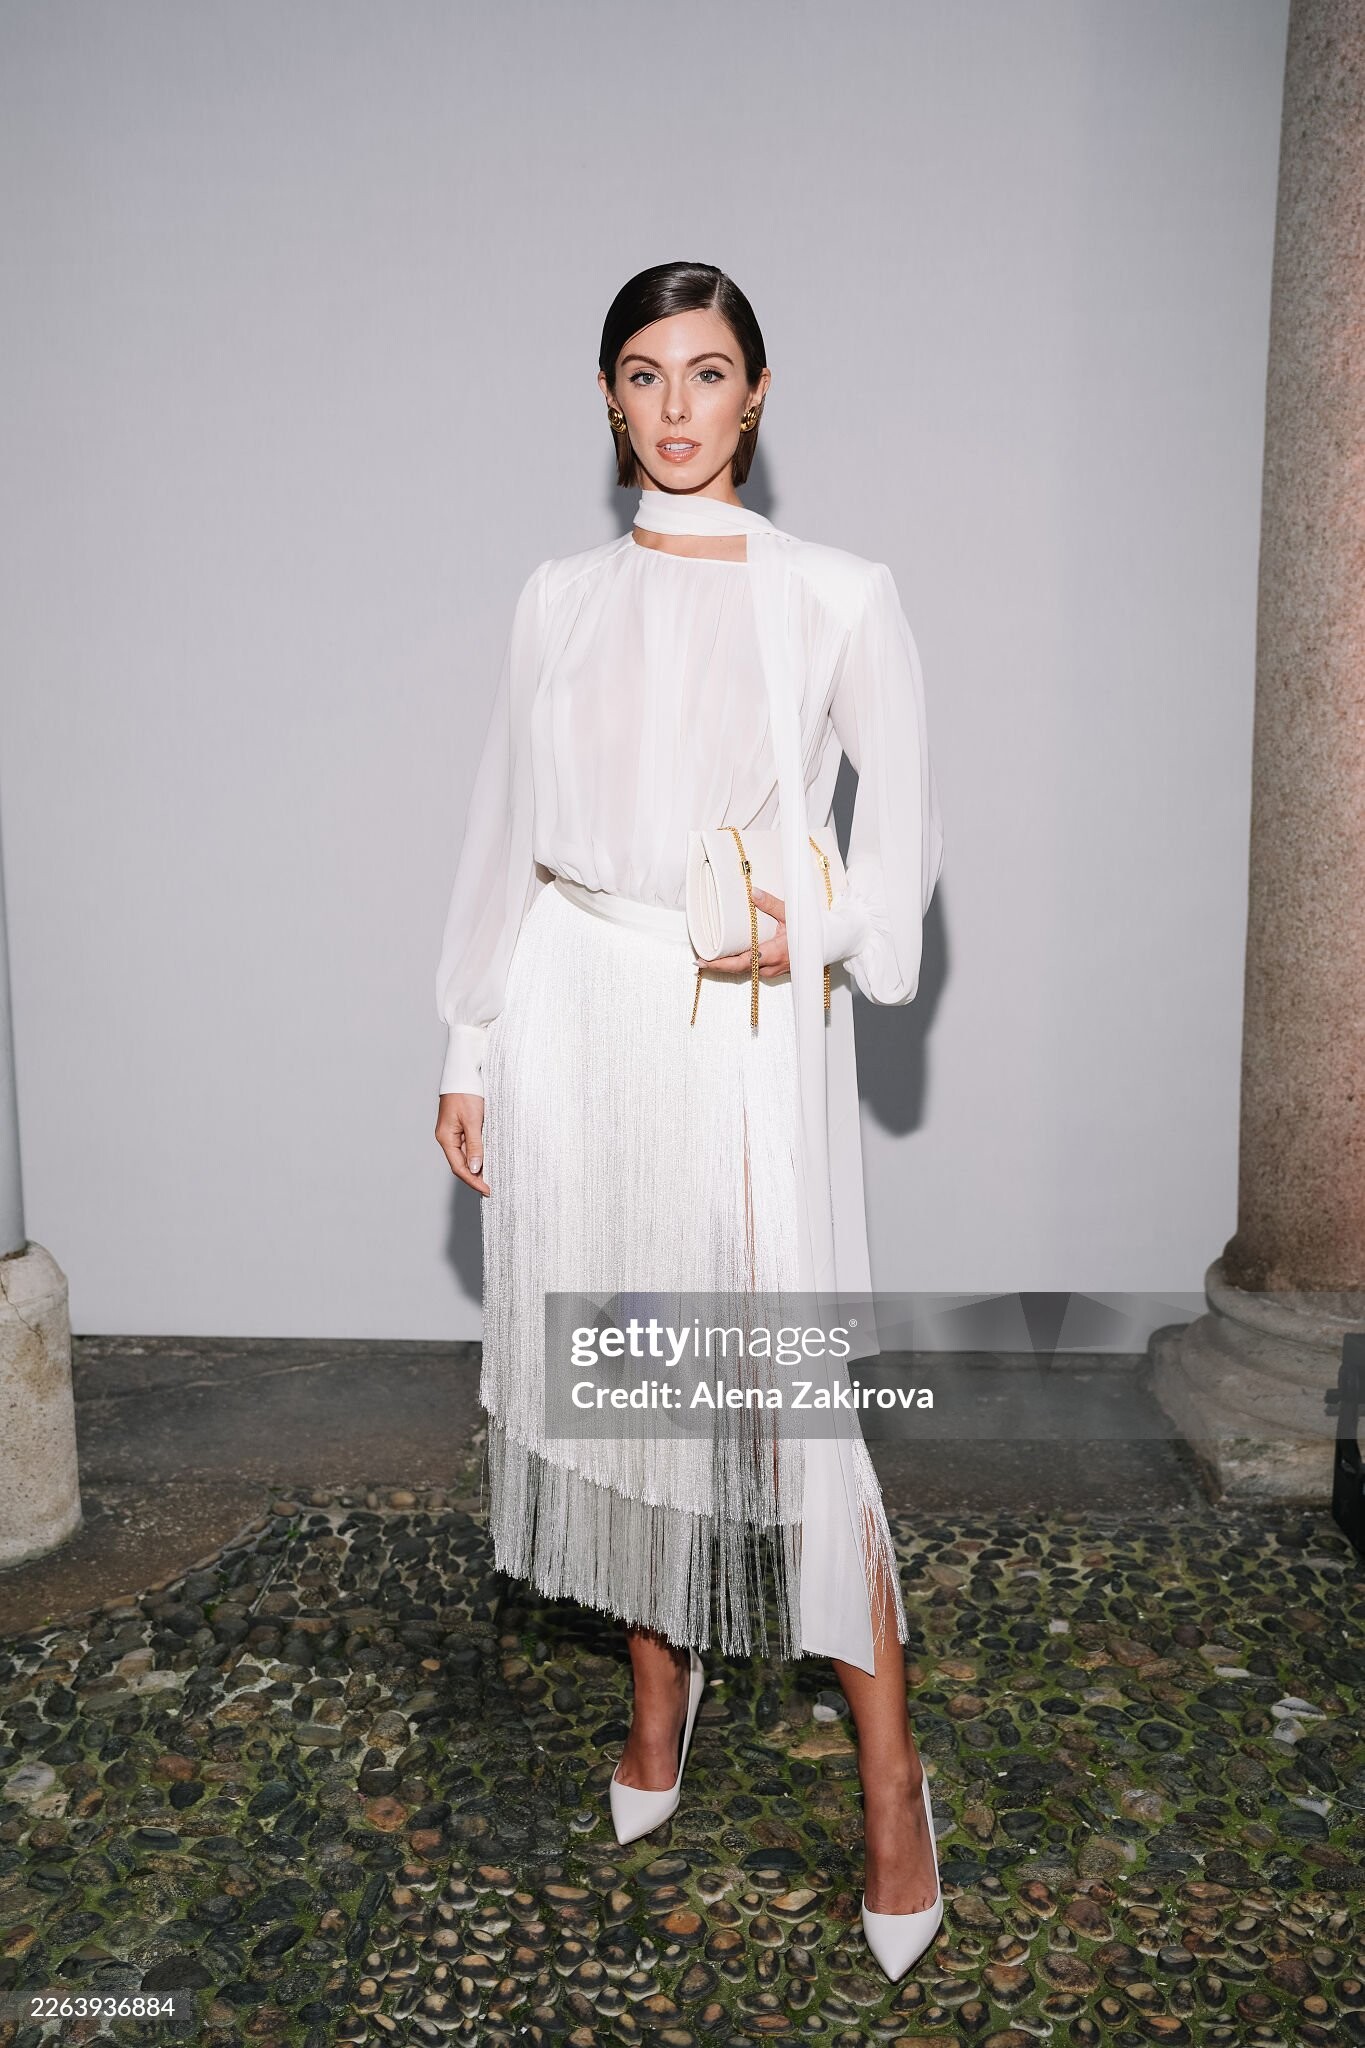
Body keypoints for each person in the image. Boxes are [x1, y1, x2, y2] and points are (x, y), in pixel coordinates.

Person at [434, 261, 946, 1980]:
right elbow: (506, 828)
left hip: (735, 1025)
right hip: (572, 1010)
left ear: (756, 392)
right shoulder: (556, 599)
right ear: (606, 396)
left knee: (791, 1411)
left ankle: (892, 1786)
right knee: (623, 1365)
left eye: (707, 372)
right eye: (644, 373)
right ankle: (662, 1689)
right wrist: (467, 1037)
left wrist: (814, 926)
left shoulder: (838, 597)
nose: (675, 405)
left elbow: (900, 862)